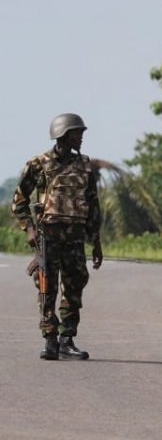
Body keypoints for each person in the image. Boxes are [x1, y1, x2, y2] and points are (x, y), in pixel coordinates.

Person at [12, 113, 103, 360]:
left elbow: (93, 206)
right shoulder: (38, 164)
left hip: (75, 239)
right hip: (48, 237)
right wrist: (29, 229)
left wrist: (96, 242)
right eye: (77, 133)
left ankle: (67, 339)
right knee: (46, 288)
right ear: (62, 135)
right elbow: (19, 200)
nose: (81, 137)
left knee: (74, 289)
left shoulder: (85, 165)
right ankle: (50, 339)